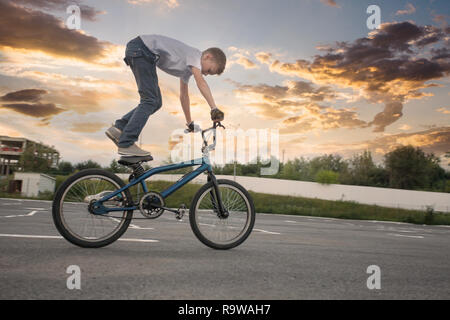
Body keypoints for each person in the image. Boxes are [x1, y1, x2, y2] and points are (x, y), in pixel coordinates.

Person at [105, 34, 226, 157]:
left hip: (142, 52)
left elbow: (184, 96)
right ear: (207, 57)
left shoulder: (188, 68)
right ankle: (126, 143)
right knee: (150, 100)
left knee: (156, 102)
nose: (205, 74)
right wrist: (214, 108)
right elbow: (201, 82)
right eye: (209, 70)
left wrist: (189, 122)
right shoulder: (195, 55)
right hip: (142, 50)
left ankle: (118, 129)